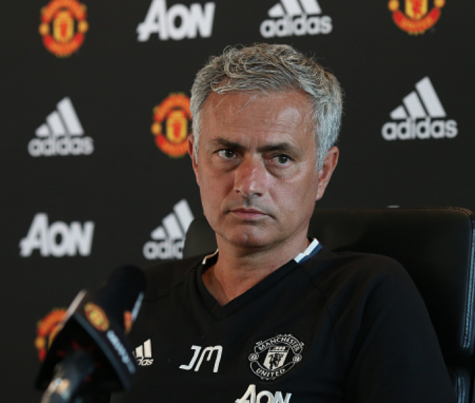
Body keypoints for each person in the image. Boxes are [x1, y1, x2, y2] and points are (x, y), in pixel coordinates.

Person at [111, 43, 455, 402]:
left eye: (280, 158)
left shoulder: (366, 295)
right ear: (196, 161)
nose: (249, 185)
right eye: (228, 153)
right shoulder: (139, 296)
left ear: (322, 172)